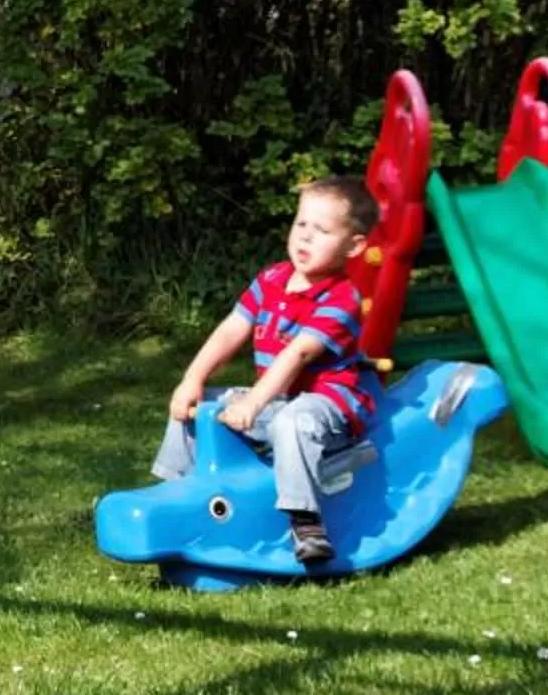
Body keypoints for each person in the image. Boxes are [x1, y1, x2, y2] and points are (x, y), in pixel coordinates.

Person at [154, 178, 383, 566]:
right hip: (278, 398)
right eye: (301, 225)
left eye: (322, 231)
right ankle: (174, 493)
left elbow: (297, 355)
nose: (306, 238)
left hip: (326, 406)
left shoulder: (341, 298)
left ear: (354, 246)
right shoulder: (272, 280)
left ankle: (306, 522)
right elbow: (231, 329)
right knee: (201, 408)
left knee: (292, 421)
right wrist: (192, 379)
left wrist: (254, 403)